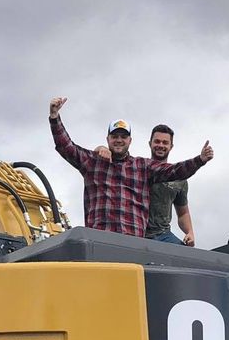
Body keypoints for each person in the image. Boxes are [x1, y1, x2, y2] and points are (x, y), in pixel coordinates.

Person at [48, 97, 213, 238]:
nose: (119, 140)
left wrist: (200, 160)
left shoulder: (142, 166)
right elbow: (66, 147)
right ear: (108, 139)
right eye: (115, 136)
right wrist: (55, 117)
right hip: (100, 239)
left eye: (123, 137)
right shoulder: (92, 162)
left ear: (130, 141)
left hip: (133, 241)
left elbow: (175, 171)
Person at [145, 124, 195, 245]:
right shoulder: (138, 168)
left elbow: (183, 213)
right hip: (139, 233)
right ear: (150, 143)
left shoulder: (179, 179)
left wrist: (190, 232)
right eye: (157, 141)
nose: (160, 145)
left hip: (164, 235)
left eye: (165, 142)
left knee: (186, 256)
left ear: (171, 146)